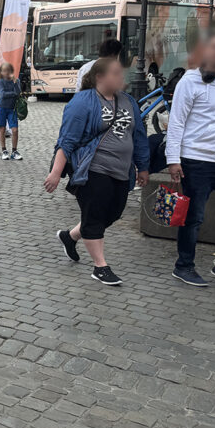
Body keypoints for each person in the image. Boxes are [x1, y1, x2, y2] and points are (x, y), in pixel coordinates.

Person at [45, 56, 149, 286]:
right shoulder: (83, 102)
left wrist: (143, 166)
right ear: (100, 77)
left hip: (122, 171)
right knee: (94, 214)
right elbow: (67, 140)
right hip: (92, 168)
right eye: (116, 73)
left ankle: (69, 237)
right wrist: (55, 173)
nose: (121, 77)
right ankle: (100, 267)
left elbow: (139, 136)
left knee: (111, 213)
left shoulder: (128, 101)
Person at [165, 33, 215, 287]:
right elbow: (176, 122)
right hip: (196, 160)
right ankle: (184, 266)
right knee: (194, 217)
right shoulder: (191, 80)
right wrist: (173, 160)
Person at [0, 62, 23, 160]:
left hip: (12, 108)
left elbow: (18, 93)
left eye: (8, 71)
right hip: (2, 107)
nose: (6, 73)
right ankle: (4, 150)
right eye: (4, 71)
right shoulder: (0, 81)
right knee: (2, 129)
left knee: (15, 130)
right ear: (1, 72)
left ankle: (14, 150)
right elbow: (2, 94)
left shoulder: (16, 80)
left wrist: (15, 83)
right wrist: (13, 94)